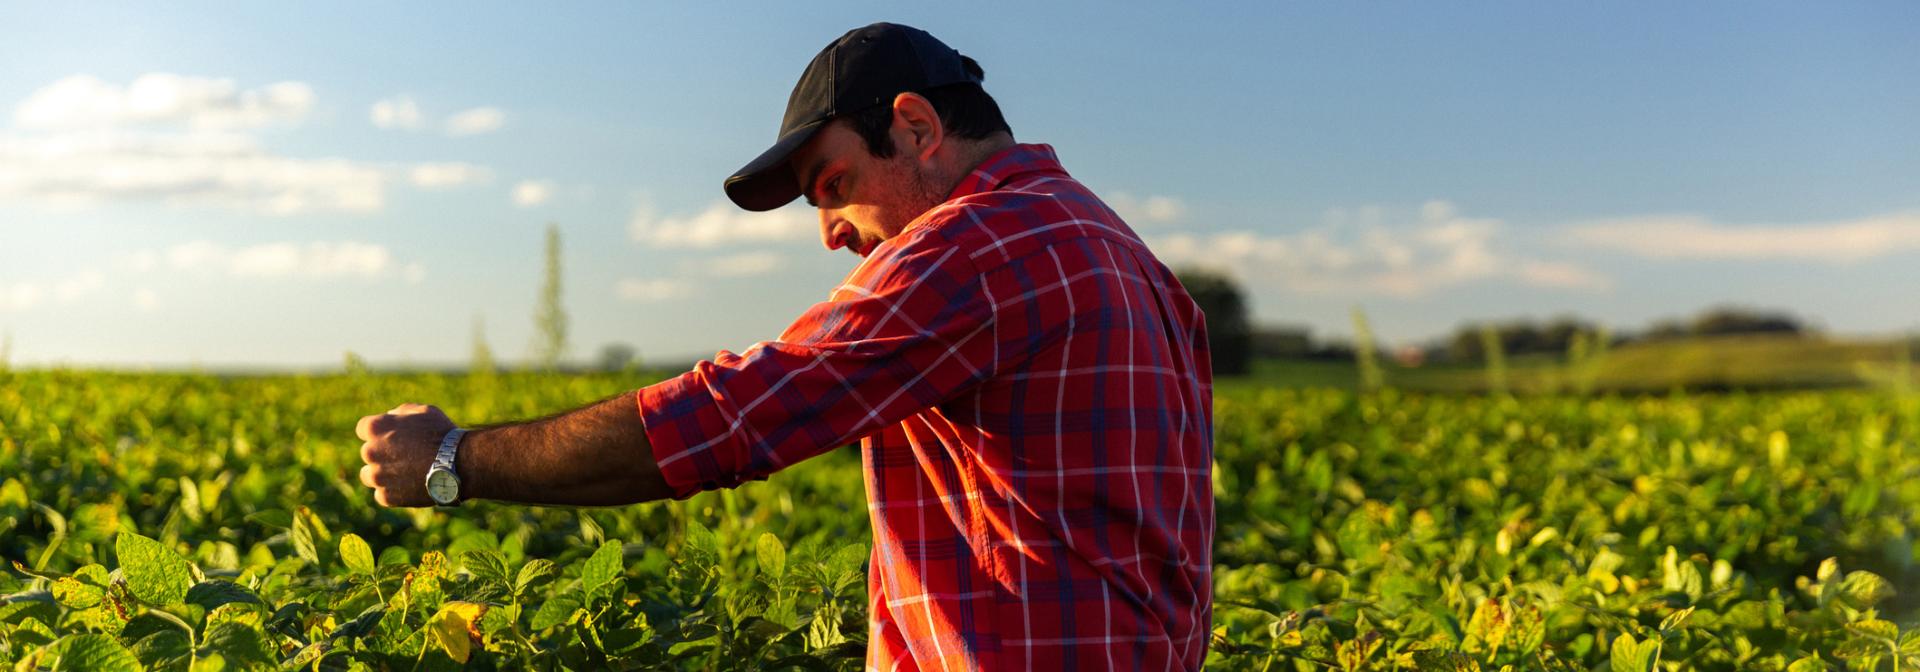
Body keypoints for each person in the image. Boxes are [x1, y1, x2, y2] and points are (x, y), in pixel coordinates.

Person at [356, 22, 1214, 670]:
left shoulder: (980, 247)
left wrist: (454, 459)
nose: (832, 233)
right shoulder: (1123, 252)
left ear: (915, 127)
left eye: (833, 187)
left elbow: (734, 418)